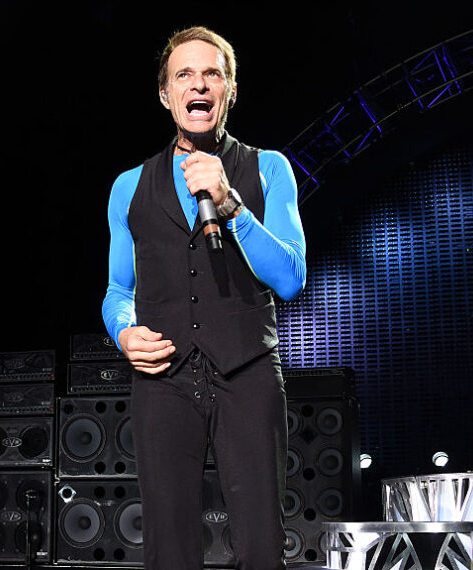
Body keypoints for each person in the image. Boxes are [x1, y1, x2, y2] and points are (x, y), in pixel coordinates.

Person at [102, 27, 306, 570]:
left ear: (230, 90)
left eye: (212, 73)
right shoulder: (129, 186)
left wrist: (232, 205)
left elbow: (290, 279)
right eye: (184, 75)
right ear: (166, 95)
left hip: (249, 372)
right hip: (163, 382)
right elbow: (118, 290)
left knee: (262, 545)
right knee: (168, 549)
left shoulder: (268, 168)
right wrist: (124, 331)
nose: (199, 84)